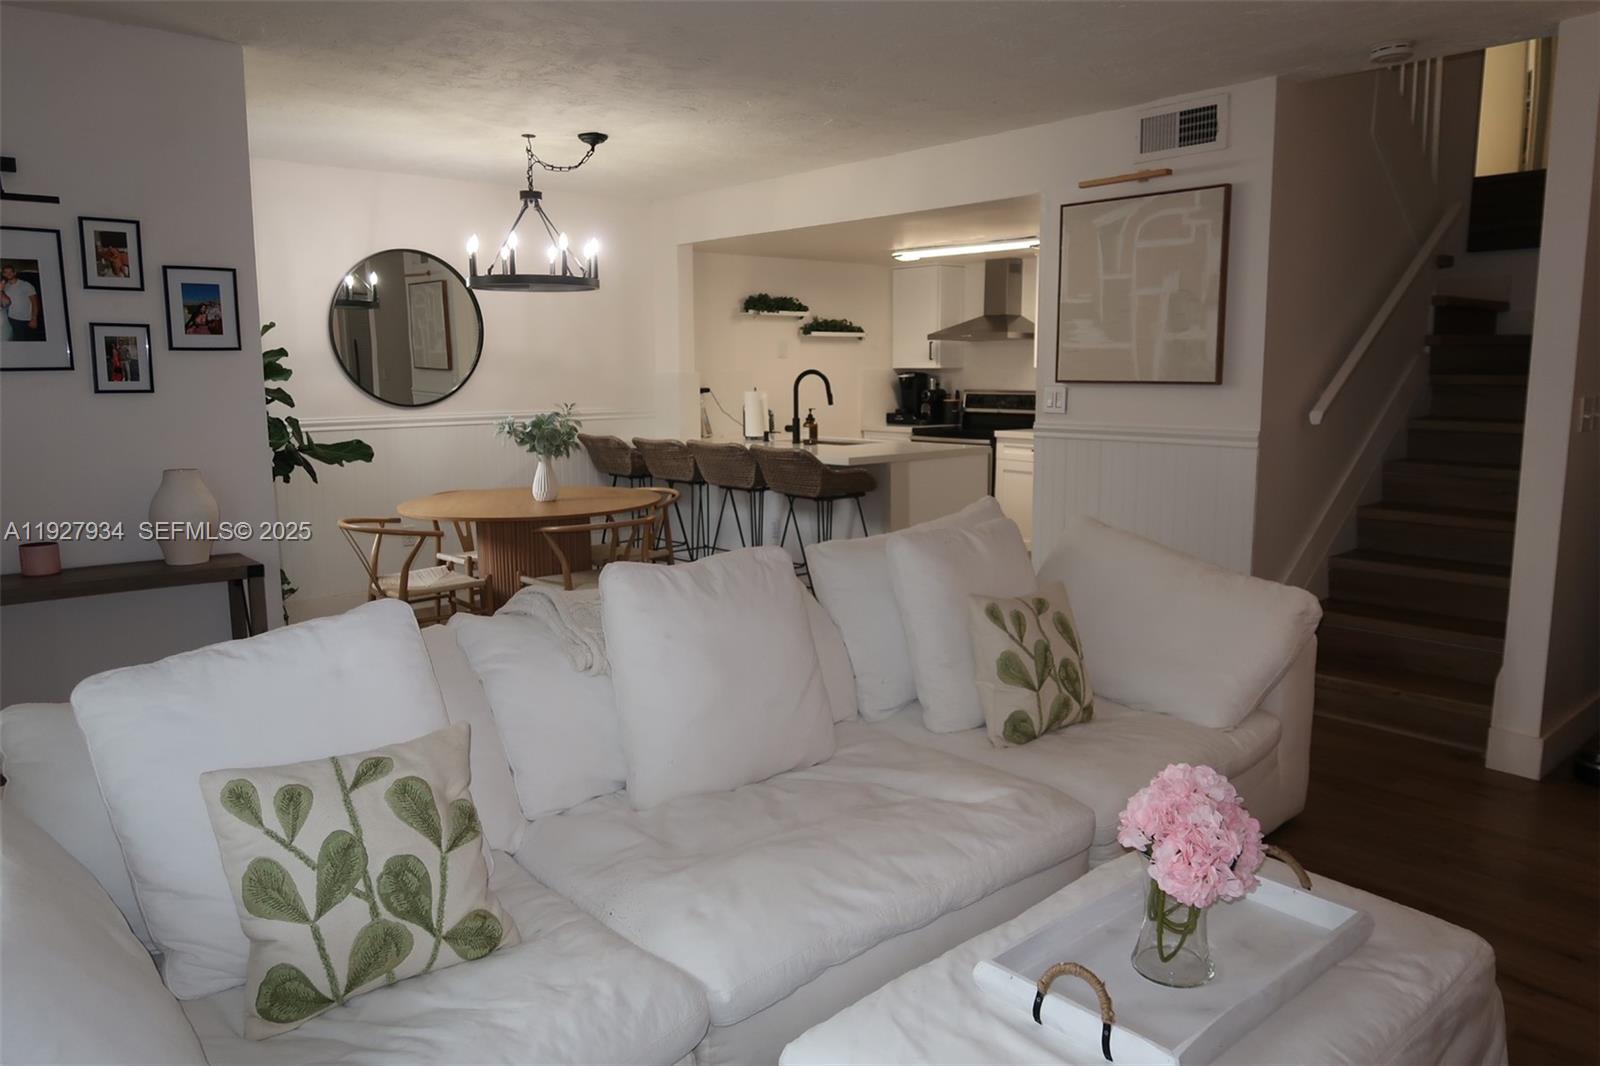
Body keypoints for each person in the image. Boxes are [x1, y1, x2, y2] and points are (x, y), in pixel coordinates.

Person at [1, 265, 42, 342]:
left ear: (14, 273)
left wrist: (34, 318)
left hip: (26, 319)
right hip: (11, 319)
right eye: (6, 272)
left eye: (10, 272)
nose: (8, 274)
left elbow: (35, 302)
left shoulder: (26, 285)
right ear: (3, 274)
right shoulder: (4, 286)